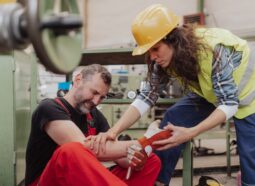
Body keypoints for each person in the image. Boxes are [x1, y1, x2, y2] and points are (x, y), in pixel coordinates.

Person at [93, 4, 255, 186]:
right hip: (212, 92)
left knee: (253, 164)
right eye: (149, 51)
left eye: (155, 48)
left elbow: (229, 104)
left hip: (253, 94)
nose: (153, 56)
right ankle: (157, 181)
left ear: (172, 40)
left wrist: (190, 133)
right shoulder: (163, 59)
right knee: (174, 118)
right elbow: (146, 97)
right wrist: (113, 131)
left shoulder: (213, 49)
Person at [25, 64, 171, 186]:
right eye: (94, 92)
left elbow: (121, 158)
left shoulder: (94, 115)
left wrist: (136, 157)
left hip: (76, 181)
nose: (96, 101)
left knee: (151, 161)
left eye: (101, 97)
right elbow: (88, 148)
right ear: (78, 80)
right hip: (48, 182)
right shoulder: (49, 108)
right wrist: (145, 141)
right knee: (71, 150)